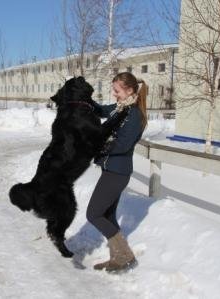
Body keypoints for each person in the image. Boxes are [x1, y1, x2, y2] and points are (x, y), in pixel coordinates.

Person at [87, 72, 147, 272]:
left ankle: (125, 255)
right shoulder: (121, 108)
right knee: (107, 215)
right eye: (114, 90)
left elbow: (121, 145)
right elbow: (102, 110)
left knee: (94, 214)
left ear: (129, 90)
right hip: (110, 169)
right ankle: (118, 257)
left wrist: (98, 145)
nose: (114, 94)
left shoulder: (134, 115)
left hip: (118, 172)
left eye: (117, 90)